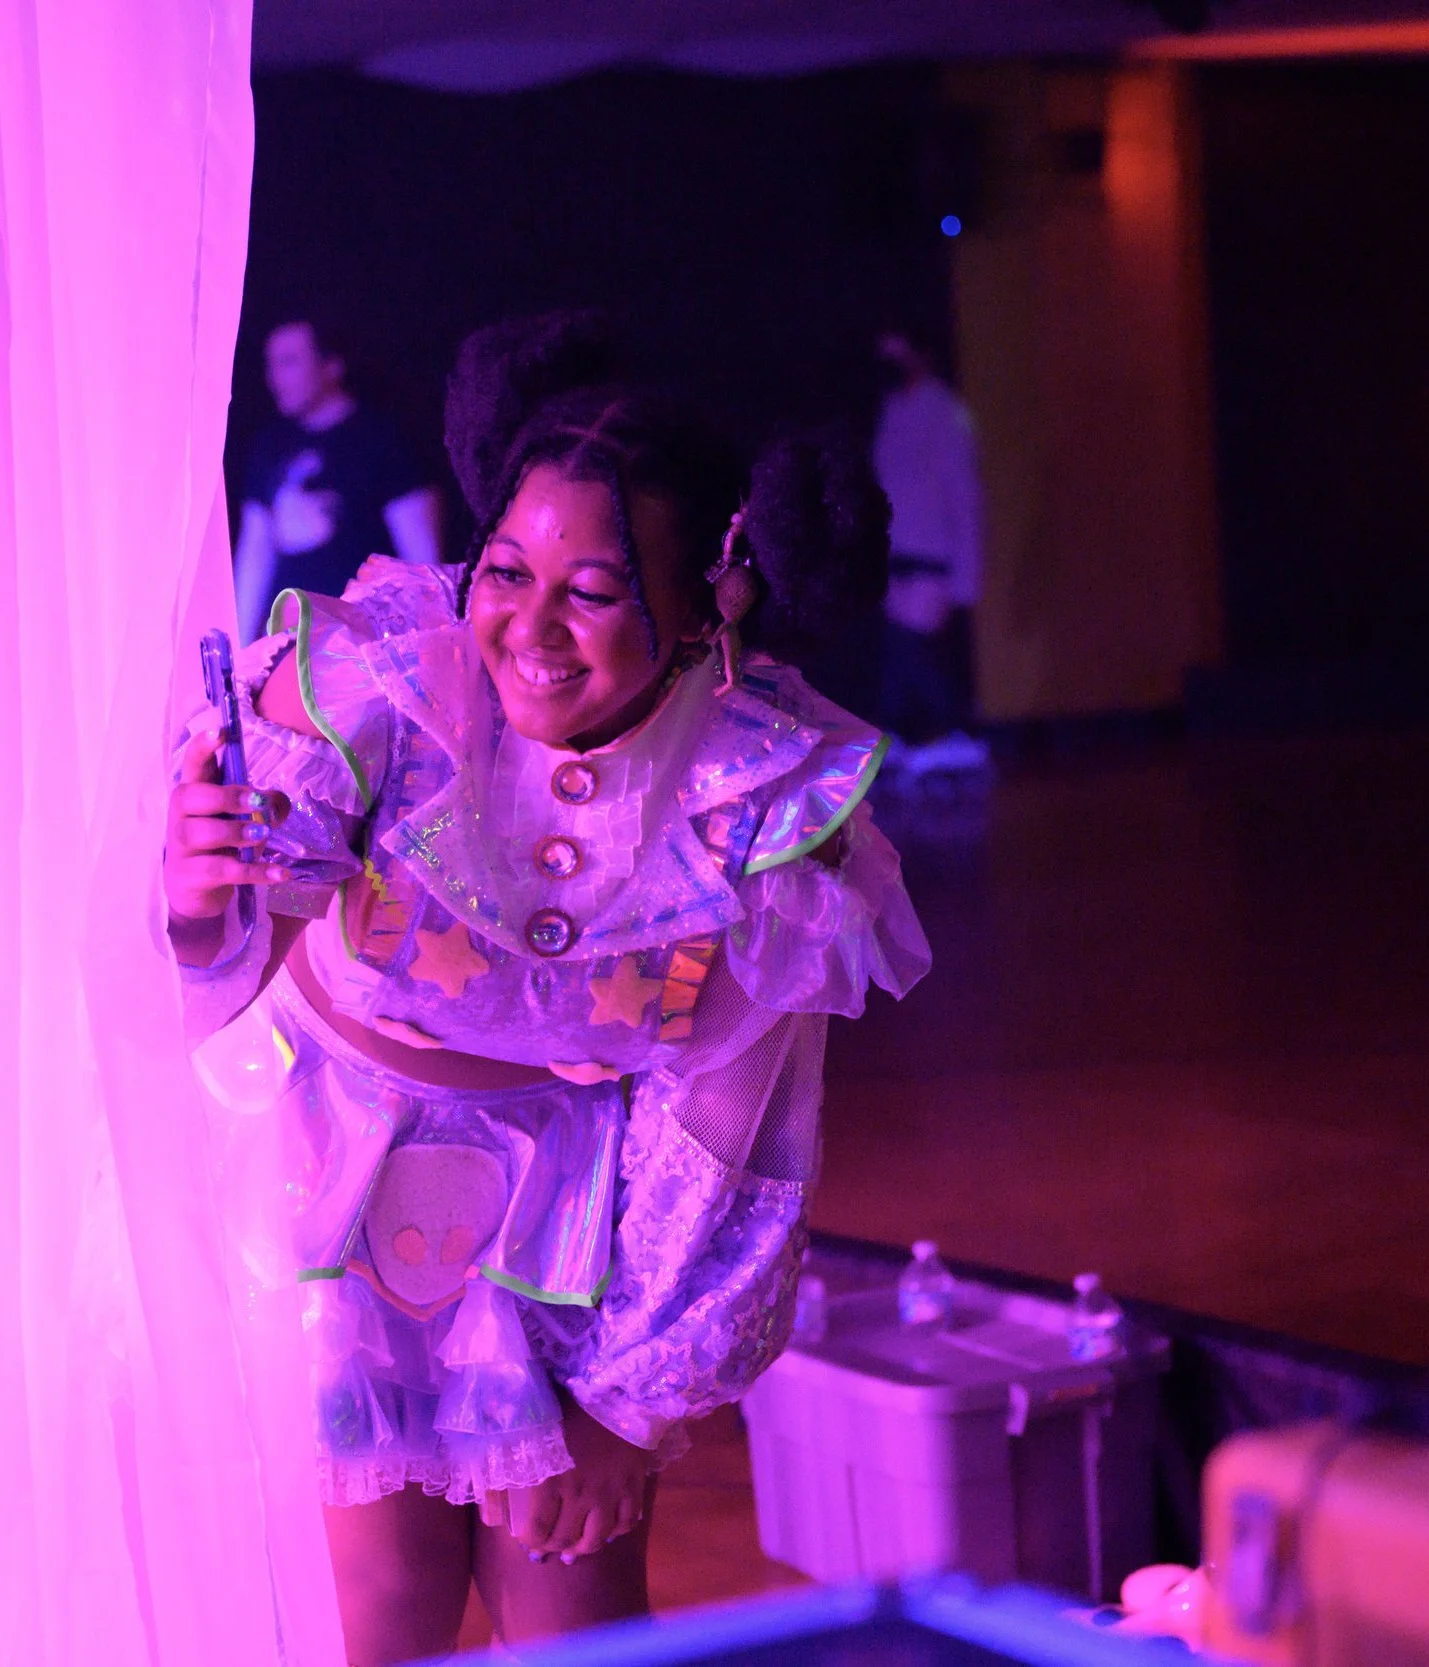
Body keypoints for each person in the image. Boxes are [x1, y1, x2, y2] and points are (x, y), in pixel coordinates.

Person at [163, 313, 932, 1663]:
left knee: (570, 1606)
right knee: (380, 1606)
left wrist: (628, 1408)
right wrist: (192, 904)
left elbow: (734, 1131)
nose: (531, 624)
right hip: (331, 1177)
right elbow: (225, 960)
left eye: (594, 587)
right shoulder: (380, 685)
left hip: (578, 1209)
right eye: (507, 568)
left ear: (715, 595)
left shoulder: (758, 797)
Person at [236, 319, 445, 643]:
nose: (275, 377)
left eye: (289, 362)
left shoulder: (382, 440)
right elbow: (255, 552)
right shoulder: (269, 447)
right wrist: (240, 645)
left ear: (331, 365)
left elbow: (422, 559)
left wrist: (426, 642)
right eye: (271, 363)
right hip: (289, 644)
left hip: (365, 646)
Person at [871, 328, 990, 777]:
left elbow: (965, 495)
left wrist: (966, 574)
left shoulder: (945, 414)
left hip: (932, 556)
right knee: (901, 649)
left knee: (915, 646)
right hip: (899, 553)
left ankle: (960, 731)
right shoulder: (892, 412)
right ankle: (908, 734)